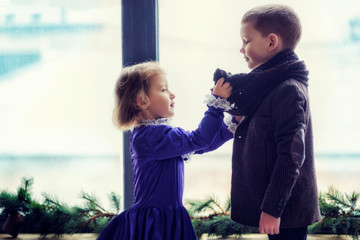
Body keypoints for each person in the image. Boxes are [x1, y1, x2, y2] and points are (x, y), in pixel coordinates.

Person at [214, 4, 321, 240]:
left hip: (287, 211)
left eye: (246, 41)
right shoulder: (269, 85)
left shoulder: (288, 89)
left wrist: (273, 209)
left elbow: (292, 154)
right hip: (278, 208)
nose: (241, 49)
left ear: (271, 42)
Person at [97, 61, 234, 240]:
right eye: (163, 89)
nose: (172, 94)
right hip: (155, 223)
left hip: (167, 217)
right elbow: (201, 139)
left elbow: (202, 145)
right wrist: (216, 104)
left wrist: (232, 125)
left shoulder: (155, 135)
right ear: (142, 100)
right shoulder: (151, 137)